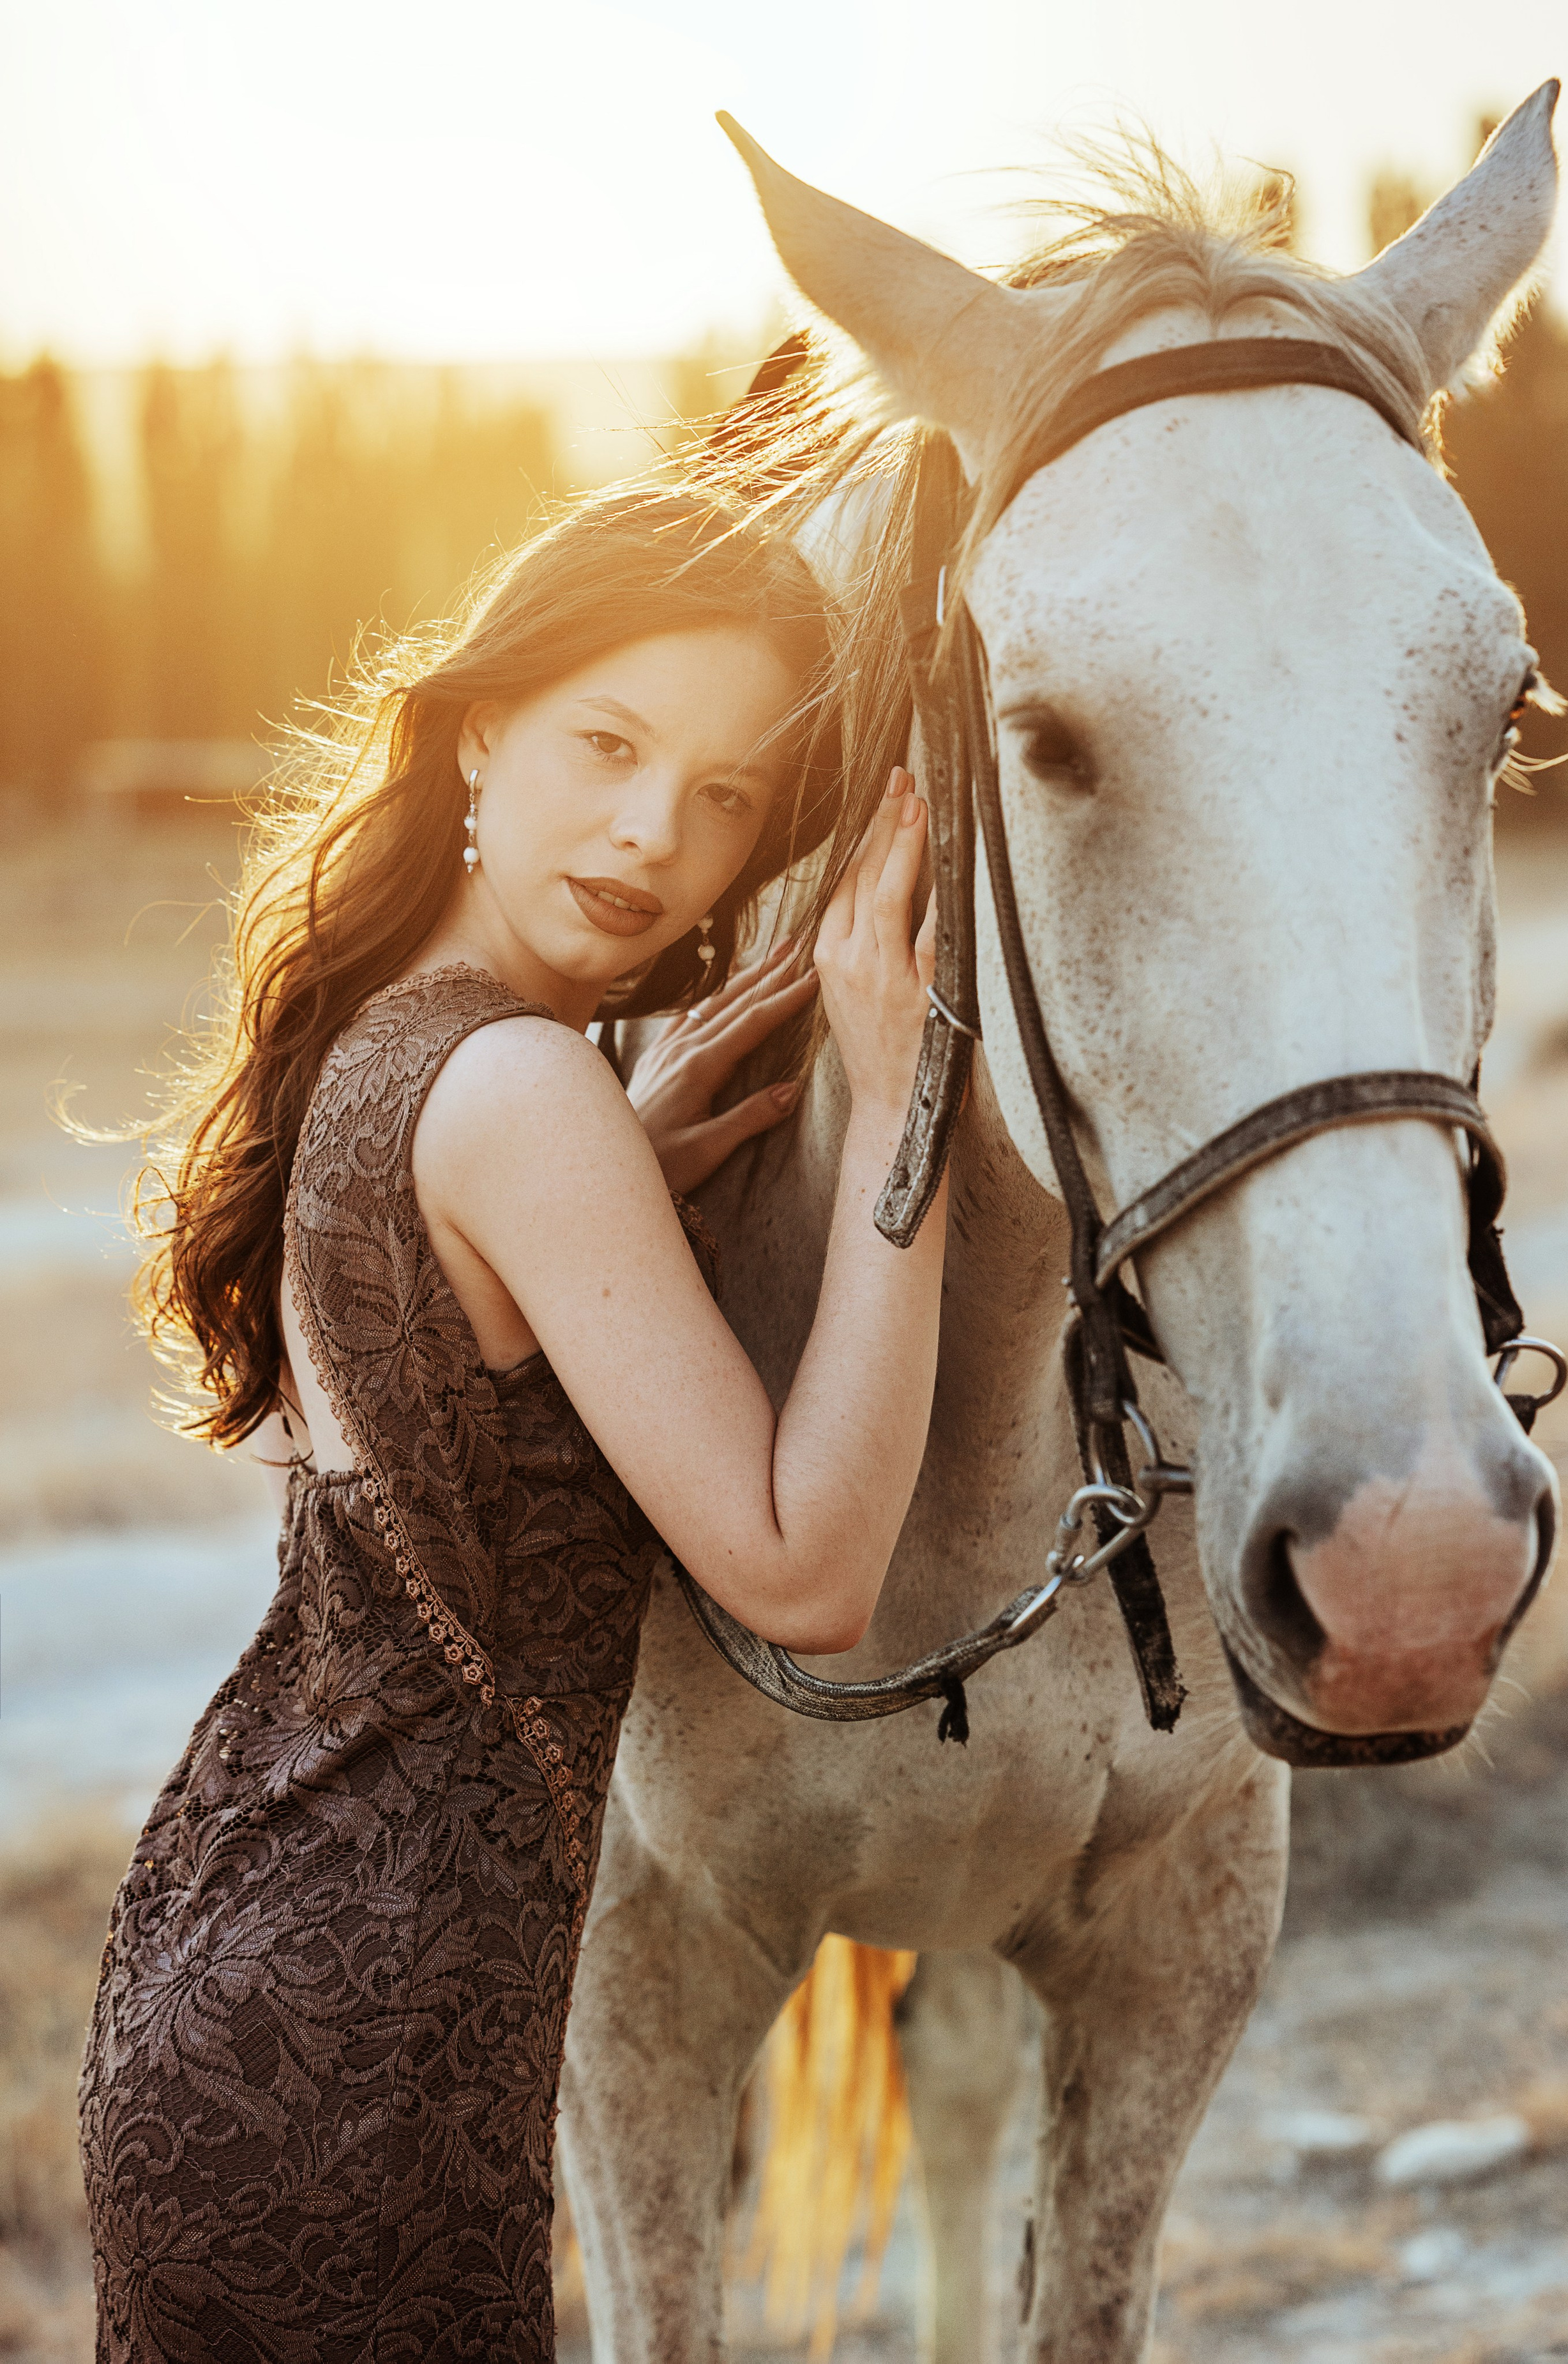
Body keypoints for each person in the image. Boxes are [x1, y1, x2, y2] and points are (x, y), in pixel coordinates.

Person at [77, 490, 946, 2361]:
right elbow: (806, 1576)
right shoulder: (525, 1086)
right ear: (483, 730)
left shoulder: (398, 1039)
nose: (657, 834)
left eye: (725, 797)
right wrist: (898, 1115)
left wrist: (615, 1164)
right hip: (369, 2050)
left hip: (237, 1973)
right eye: (610, 746)